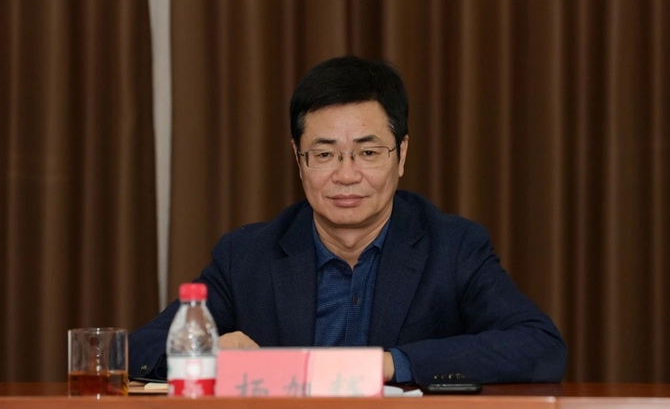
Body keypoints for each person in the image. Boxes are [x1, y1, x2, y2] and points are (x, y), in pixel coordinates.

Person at [129, 56, 567, 385]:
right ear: (299, 160)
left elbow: (540, 347)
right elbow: (137, 353)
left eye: (368, 152)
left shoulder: (452, 248)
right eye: (324, 154)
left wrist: (390, 364)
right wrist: (204, 352)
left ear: (401, 155)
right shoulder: (246, 257)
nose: (346, 175)